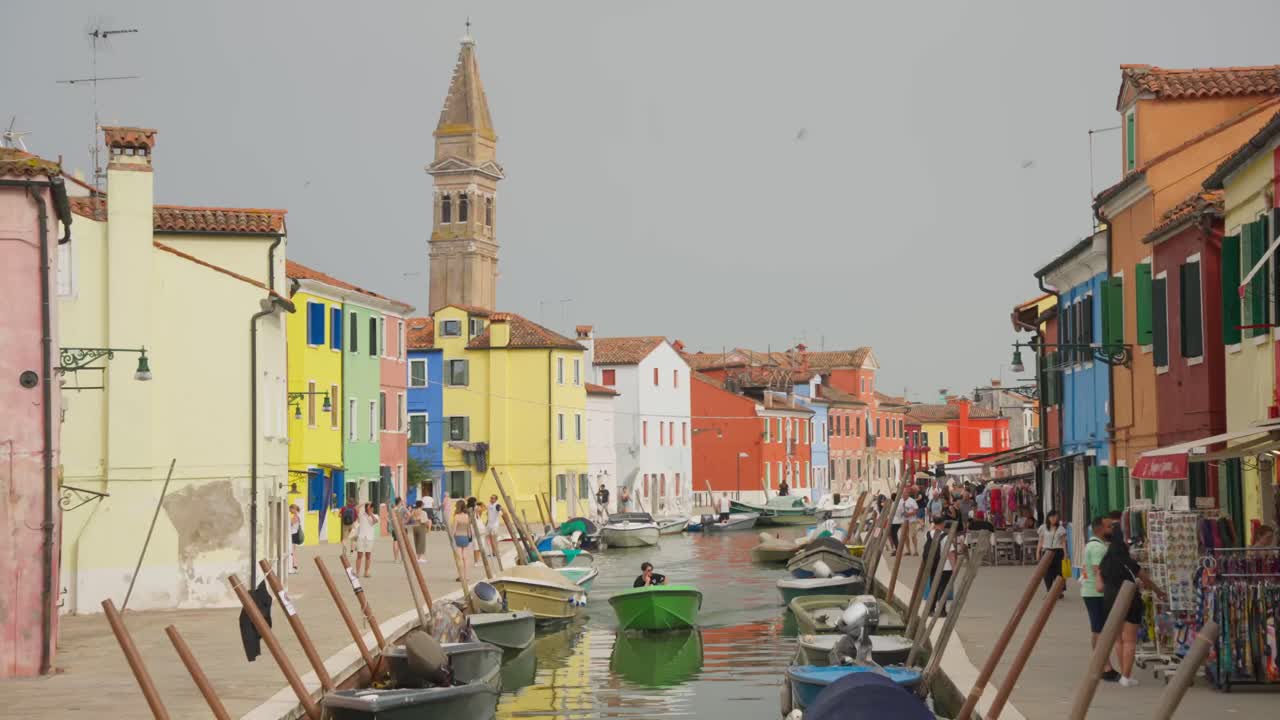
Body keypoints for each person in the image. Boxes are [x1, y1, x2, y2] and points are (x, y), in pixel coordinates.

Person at [1100, 533, 1168, 687]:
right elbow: (1146, 579)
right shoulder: (1129, 562)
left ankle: (1123, 673)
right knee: (1130, 640)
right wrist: (1159, 592)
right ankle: (1126, 676)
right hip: (1130, 600)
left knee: (1118, 639)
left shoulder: (1104, 563)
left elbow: (1100, 584)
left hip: (1110, 601)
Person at [1081, 516, 1120, 682]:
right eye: (1109, 526)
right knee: (1100, 630)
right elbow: (1098, 570)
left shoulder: (1093, 545)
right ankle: (1104, 666)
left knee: (1099, 629)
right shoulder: (1097, 548)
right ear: (1099, 529)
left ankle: (1102, 664)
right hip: (1096, 593)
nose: (1111, 529)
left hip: (1092, 592)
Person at [923, 516, 956, 616]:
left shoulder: (928, 534)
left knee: (934, 587)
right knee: (943, 588)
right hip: (945, 566)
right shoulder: (945, 536)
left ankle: (931, 609)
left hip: (933, 565)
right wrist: (954, 567)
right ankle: (942, 610)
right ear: (943, 523)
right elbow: (950, 553)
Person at [1037, 510, 1067, 597]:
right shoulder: (1043, 528)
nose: (1054, 519)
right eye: (1052, 517)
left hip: (1058, 552)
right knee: (1047, 573)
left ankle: (1059, 591)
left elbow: (1063, 542)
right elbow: (1040, 541)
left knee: (1059, 573)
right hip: (1046, 551)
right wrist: (1038, 552)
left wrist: (1065, 554)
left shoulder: (1061, 529)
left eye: (1056, 517)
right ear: (1048, 517)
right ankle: (1049, 591)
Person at [351, 502, 377, 578]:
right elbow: (355, 509)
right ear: (366, 508)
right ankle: (358, 572)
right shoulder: (361, 515)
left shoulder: (375, 516)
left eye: (372, 507)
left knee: (368, 556)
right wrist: (364, 503)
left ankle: (366, 572)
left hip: (369, 538)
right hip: (361, 537)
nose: (371, 509)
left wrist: (371, 513)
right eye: (369, 507)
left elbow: (375, 521)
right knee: (359, 555)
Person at [451, 499, 472, 579]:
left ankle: (461, 576)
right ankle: (467, 576)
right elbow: (469, 528)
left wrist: (452, 538)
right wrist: (470, 537)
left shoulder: (456, 516)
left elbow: (454, 529)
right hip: (466, 536)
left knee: (459, 557)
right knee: (465, 557)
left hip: (458, 537)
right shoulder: (467, 516)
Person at [900, 490, 920, 556]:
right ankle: (908, 550)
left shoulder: (912, 501)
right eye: (902, 494)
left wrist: (909, 514)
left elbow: (916, 510)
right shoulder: (901, 501)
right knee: (905, 536)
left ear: (908, 494)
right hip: (903, 521)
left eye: (904, 493)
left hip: (912, 521)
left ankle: (916, 550)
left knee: (913, 535)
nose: (903, 495)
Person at [487, 495, 504, 559]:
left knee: (494, 539)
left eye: (492, 498)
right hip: (489, 524)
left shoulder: (497, 505)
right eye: (490, 498)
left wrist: (500, 509)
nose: (491, 499)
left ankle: (497, 552)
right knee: (491, 539)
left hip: (495, 525)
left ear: (496, 499)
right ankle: (493, 552)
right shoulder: (489, 505)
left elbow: (501, 513)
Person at [288, 504, 303, 573]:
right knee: (293, 550)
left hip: (293, 534)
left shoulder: (295, 517)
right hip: (294, 534)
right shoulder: (297, 516)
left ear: (294, 509)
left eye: (290, 509)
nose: (289, 510)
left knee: (292, 551)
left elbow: (290, 524)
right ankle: (294, 565)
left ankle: (294, 565)